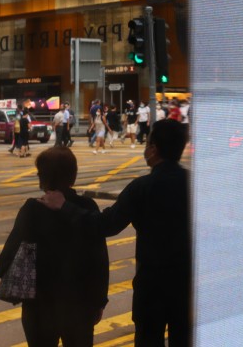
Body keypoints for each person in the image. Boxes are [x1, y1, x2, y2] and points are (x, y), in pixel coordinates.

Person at [42, 120, 191, 347]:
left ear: (153, 149)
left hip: (152, 285)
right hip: (186, 283)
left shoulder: (142, 187)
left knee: (149, 340)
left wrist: (66, 207)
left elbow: (106, 225)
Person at [0, 146, 109, 347]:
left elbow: (5, 260)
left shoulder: (32, 208)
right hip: (80, 306)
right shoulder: (87, 207)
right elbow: (100, 260)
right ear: (72, 176)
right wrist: (99, 301)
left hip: (40, 307)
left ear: (44, 177)